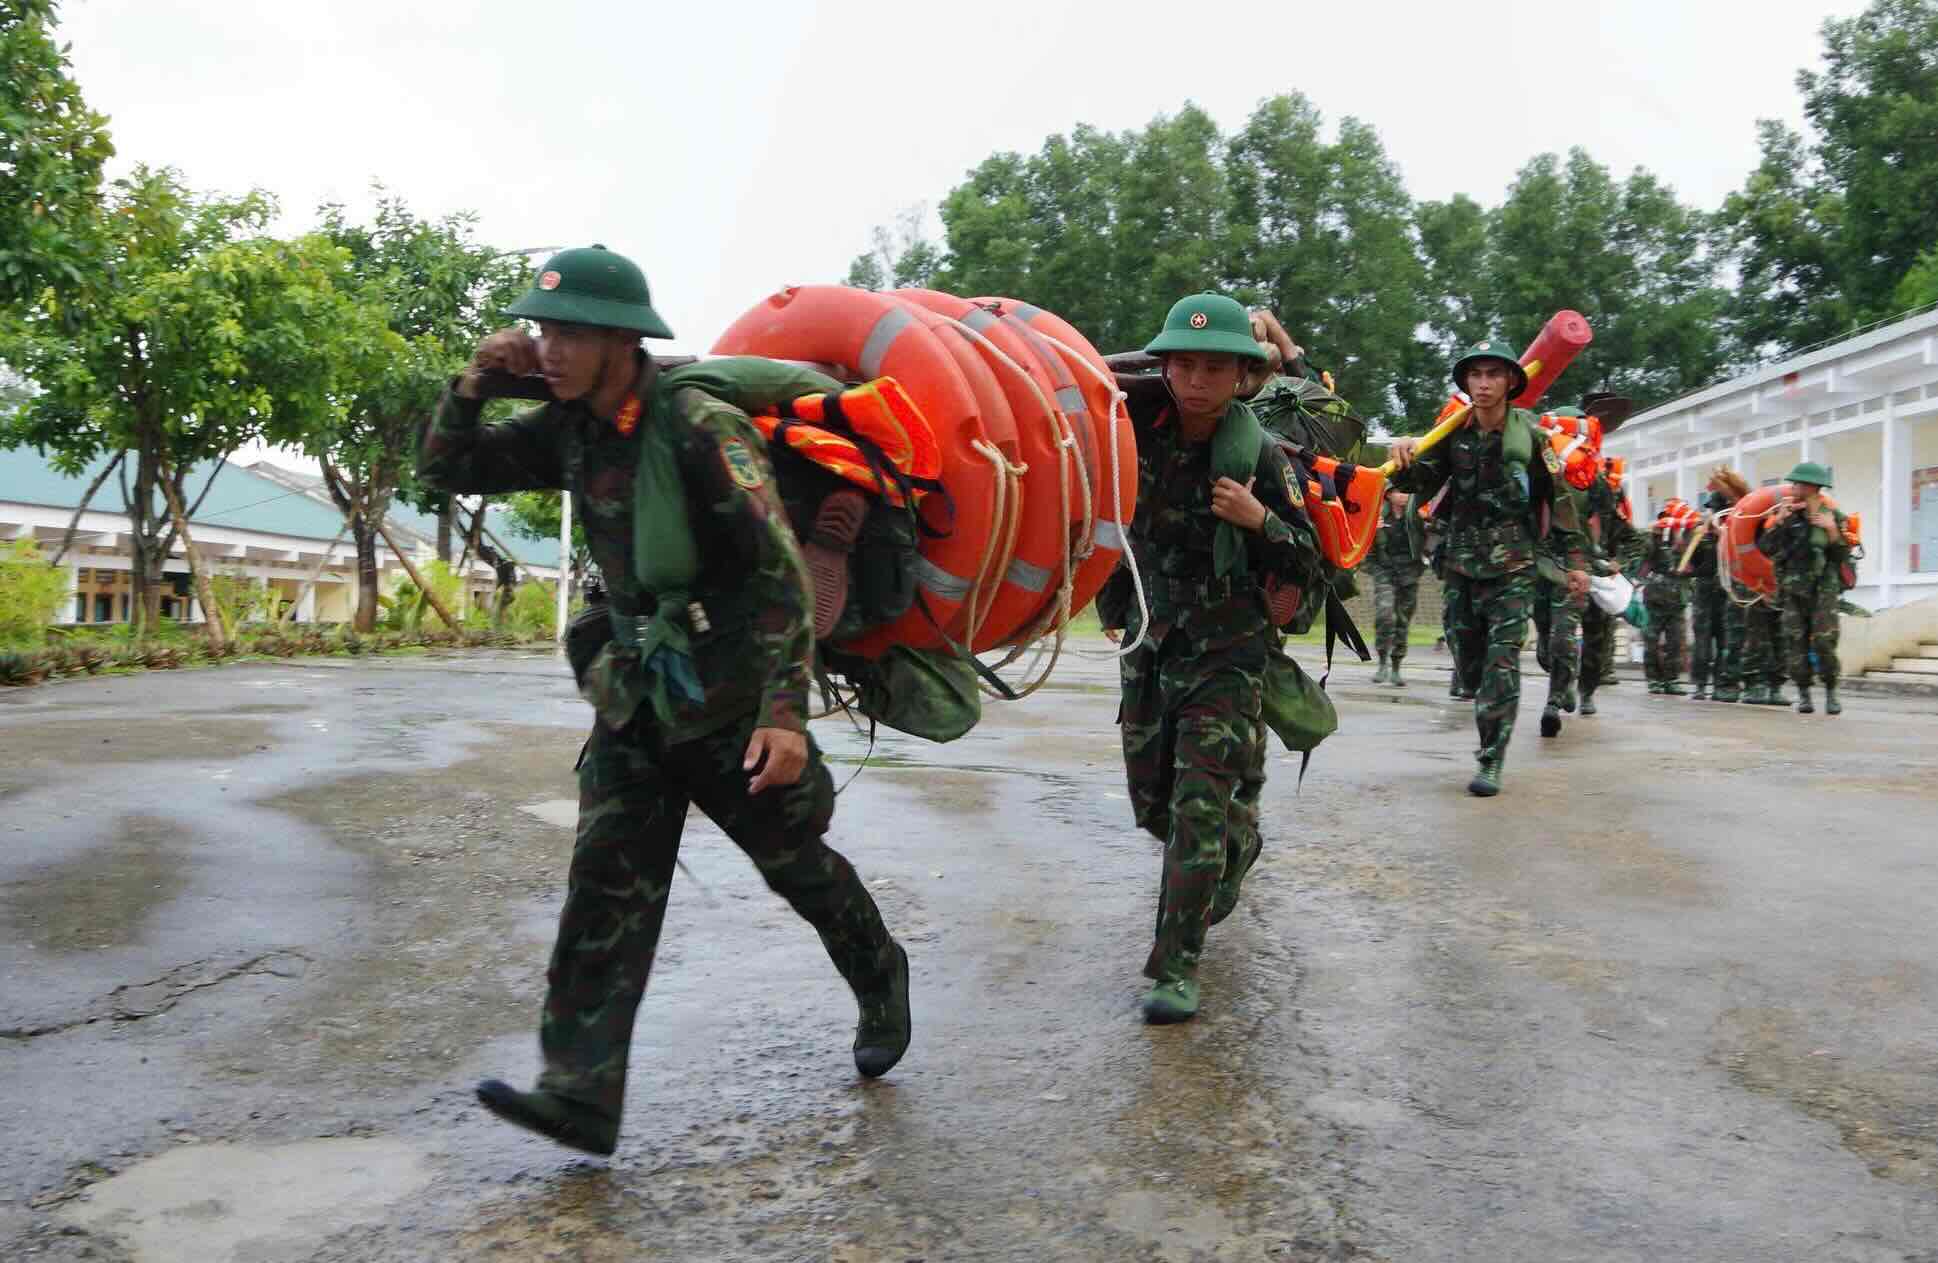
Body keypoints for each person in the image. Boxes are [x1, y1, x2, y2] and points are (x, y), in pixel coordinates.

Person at [417, 246, 910, 1156]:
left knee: (795, 865)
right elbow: (450, 470)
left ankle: (882, 971)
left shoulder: (697, 426)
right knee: (604, 885)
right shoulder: (567, 427)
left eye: (571, 331)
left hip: (729, 697)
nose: (551, 348)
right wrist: (474, 382)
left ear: (621, 338)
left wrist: (783, 715)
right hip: (637, 695)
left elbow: (781, 577)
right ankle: (579, 1091)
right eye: (544, 329)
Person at [1099, 292, 1323, 1024]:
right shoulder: (1131, 433)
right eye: (1185, 364)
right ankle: (1240, 837)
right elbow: (1110, 523)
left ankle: (1175, 965)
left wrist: (1261, 520)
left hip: (1228, 650)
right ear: (1164, 367)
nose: (1197, 379)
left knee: (1197, 806)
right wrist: (1111, 609)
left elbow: (1313, 565)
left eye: (1215, 367)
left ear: (1242, 375)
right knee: (1155, 804)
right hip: (1151, 645)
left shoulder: (1256, 452)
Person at [1386, 340, 1589, 796]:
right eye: (1475, 375)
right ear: (1465, 383)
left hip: (1514, 567)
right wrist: (1404, 457)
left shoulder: (1531, 440)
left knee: (1501, 664)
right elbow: (1420, 481)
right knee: (1470, 661)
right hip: (1460, 564)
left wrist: (1575, 564)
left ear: (1511, 382)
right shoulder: (1452, 435)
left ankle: (1491, 758)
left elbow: (1559, 503)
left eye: (1493, 374)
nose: (1483, 383)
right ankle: (1486, 711)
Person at [1756, 462, 1853, 715]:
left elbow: (1842, 553)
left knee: (1824, 642)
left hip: (1823, 588)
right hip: (1793, 590)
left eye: (1798, 484)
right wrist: (1780, 521)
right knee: (1795, 642)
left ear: (1811, 487)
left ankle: (1831, 691)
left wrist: (1831, 529)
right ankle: (1804, 694)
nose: (1793, 487)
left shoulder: (1833, 516)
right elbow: (1766, 547)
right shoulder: (1788, 514)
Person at [1681, 471, 1742, 702]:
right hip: (1705, 591)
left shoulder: (1734, 529)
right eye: (1712, 508)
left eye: (1718, 508)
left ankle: (1721, 684)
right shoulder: (1700, 530)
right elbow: (1687, 564)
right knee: (1702, 642)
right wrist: (1694, 538)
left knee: (1725, 639)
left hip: (1727, 592)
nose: (1714, 512)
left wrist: (1722, 534)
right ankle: (1699, 684)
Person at [1368, 490, 1426, 686]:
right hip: (1385, 571)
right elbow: (1368, 545)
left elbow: (1431, 536)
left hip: (1409, 574)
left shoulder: (1416, 516)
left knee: (1402, 620)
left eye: (1407, 493)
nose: (1403, 496)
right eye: (1398, 492)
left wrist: (1424, 562)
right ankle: (1382, 661)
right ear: (1388, 494)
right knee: (1385, 613)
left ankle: (1396, 667)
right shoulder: (1378, 516)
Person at [1640, 502, 1691, 695]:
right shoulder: (1654, 539)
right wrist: (1654, 534)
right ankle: (1654, 679)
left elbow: (1691, 564)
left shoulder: (1685, 538)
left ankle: (1672, 679)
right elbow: (1644, 557)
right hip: (1656, 597)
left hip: (1677, 597)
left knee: (1675, 642)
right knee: (1651, 640)